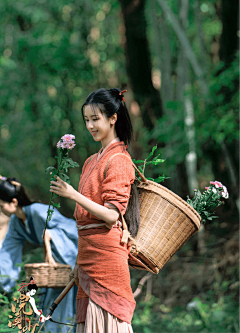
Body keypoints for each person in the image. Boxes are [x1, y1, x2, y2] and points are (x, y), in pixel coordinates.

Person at [50, 88, 141, 333]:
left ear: (113, 118)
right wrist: (79, 263)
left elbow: (112, 214)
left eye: (95, 119)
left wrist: (72, 194)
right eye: (86, 120)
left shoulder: (120, 159)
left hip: (108, 257)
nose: (90, 126)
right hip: (88, 253)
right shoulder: (92, 160)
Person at [0, 176, 78, 332]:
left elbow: (71, 228)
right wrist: (3, 281)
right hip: (53, 271)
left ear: (14, 202)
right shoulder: (16, 222)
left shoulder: (38, 210)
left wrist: (52, 235)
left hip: (69, 259)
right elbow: (9, 250)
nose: (0, 209)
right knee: (51, 303)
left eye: (1, 205)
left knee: (68, 302)